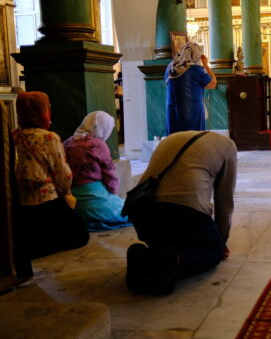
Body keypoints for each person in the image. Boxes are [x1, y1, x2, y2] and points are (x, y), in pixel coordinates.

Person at [126, 131, 237, 295]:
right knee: (212, 253)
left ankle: (143, 256)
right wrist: (221, 240)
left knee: (169, 244)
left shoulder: (172, 137)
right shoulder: (228, 146)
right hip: (186, 211)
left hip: (142, 211)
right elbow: (224, 199)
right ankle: (176, 259)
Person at [12, 92, 89, 259]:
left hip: (21, 204)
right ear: (43, 111)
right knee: (80, 235)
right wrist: (67, 192)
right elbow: (62, 172)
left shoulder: (14, 136)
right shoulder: (48, 137)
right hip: (47, 201)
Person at [63, 111, 130, 231]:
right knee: (132, 211)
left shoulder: (67, 142)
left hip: (72, 201)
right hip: (95, 199)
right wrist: (113, 197)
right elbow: (110, 176)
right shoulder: (98, 145)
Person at [165, 42, 217, 135]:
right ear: (196, 54)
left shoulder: (170, 68)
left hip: (173, 112)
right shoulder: (194, 69)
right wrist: (205, 64)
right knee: (192, 139)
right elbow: (212, 84)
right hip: (191, 112)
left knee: (176, 139)